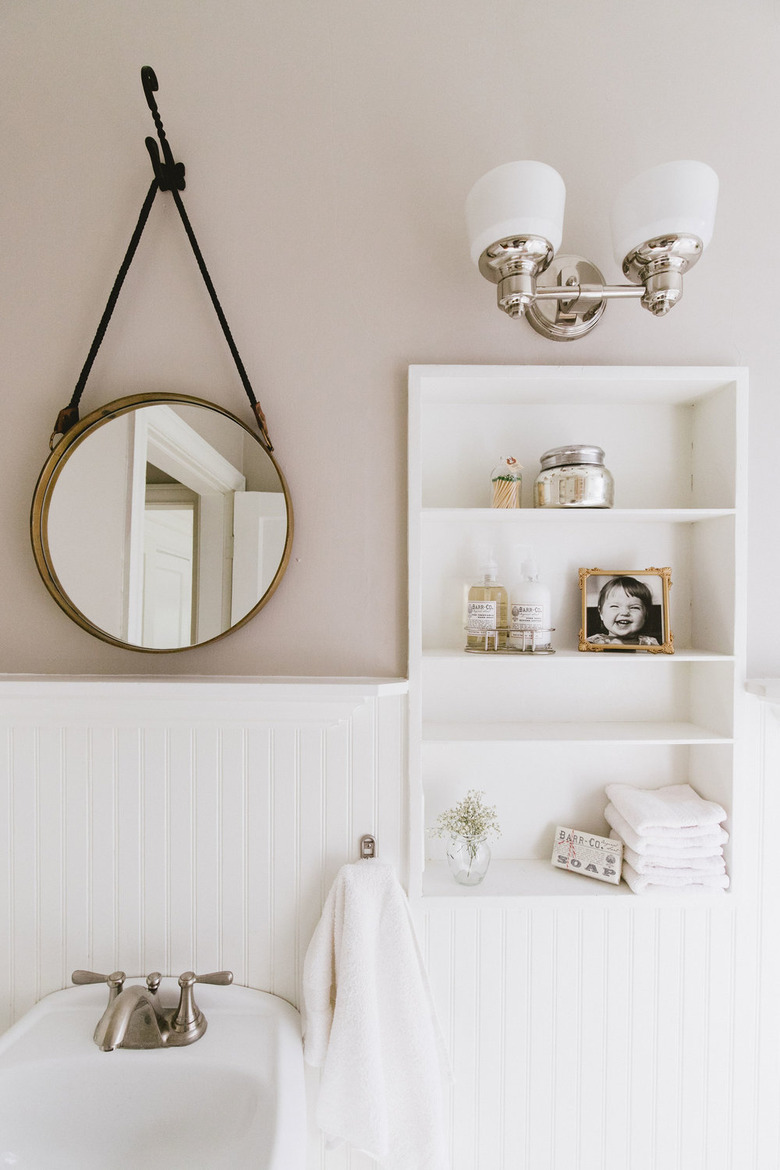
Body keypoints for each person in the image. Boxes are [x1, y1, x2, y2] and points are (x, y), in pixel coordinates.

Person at [587, 575, 660, 645]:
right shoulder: (591, 643)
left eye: (634, 607)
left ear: (646, 614)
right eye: (615, 606)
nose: (624, 612)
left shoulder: (650, 643)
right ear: (601, 613)